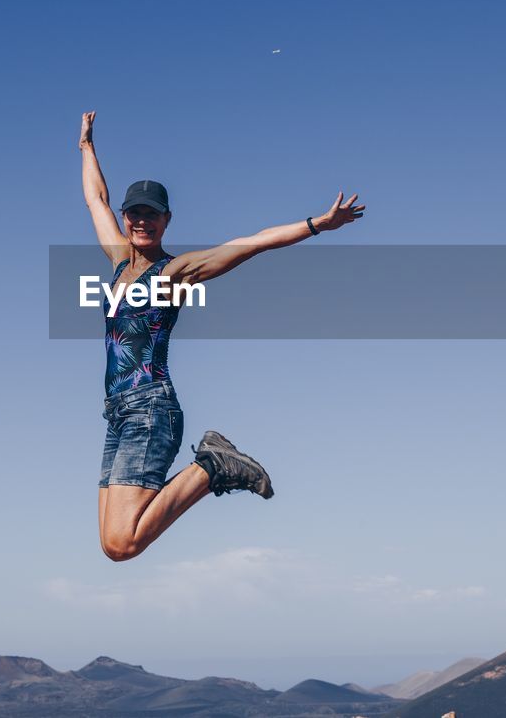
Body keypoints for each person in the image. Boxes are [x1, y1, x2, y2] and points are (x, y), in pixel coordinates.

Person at [78, 111, 365, 561]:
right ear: (126, 217)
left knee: (122, 543)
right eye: (135, 213)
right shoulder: (118, 261)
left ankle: (212, 465)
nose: (141, 222)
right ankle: (211, 466)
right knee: (109, 541)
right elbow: (96, 199)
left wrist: (316, 225)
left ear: (166, 221)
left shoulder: (174, 272)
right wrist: (87, 148)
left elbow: (251, 243)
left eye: (152, 216)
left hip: (151, 408)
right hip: (117, 415)